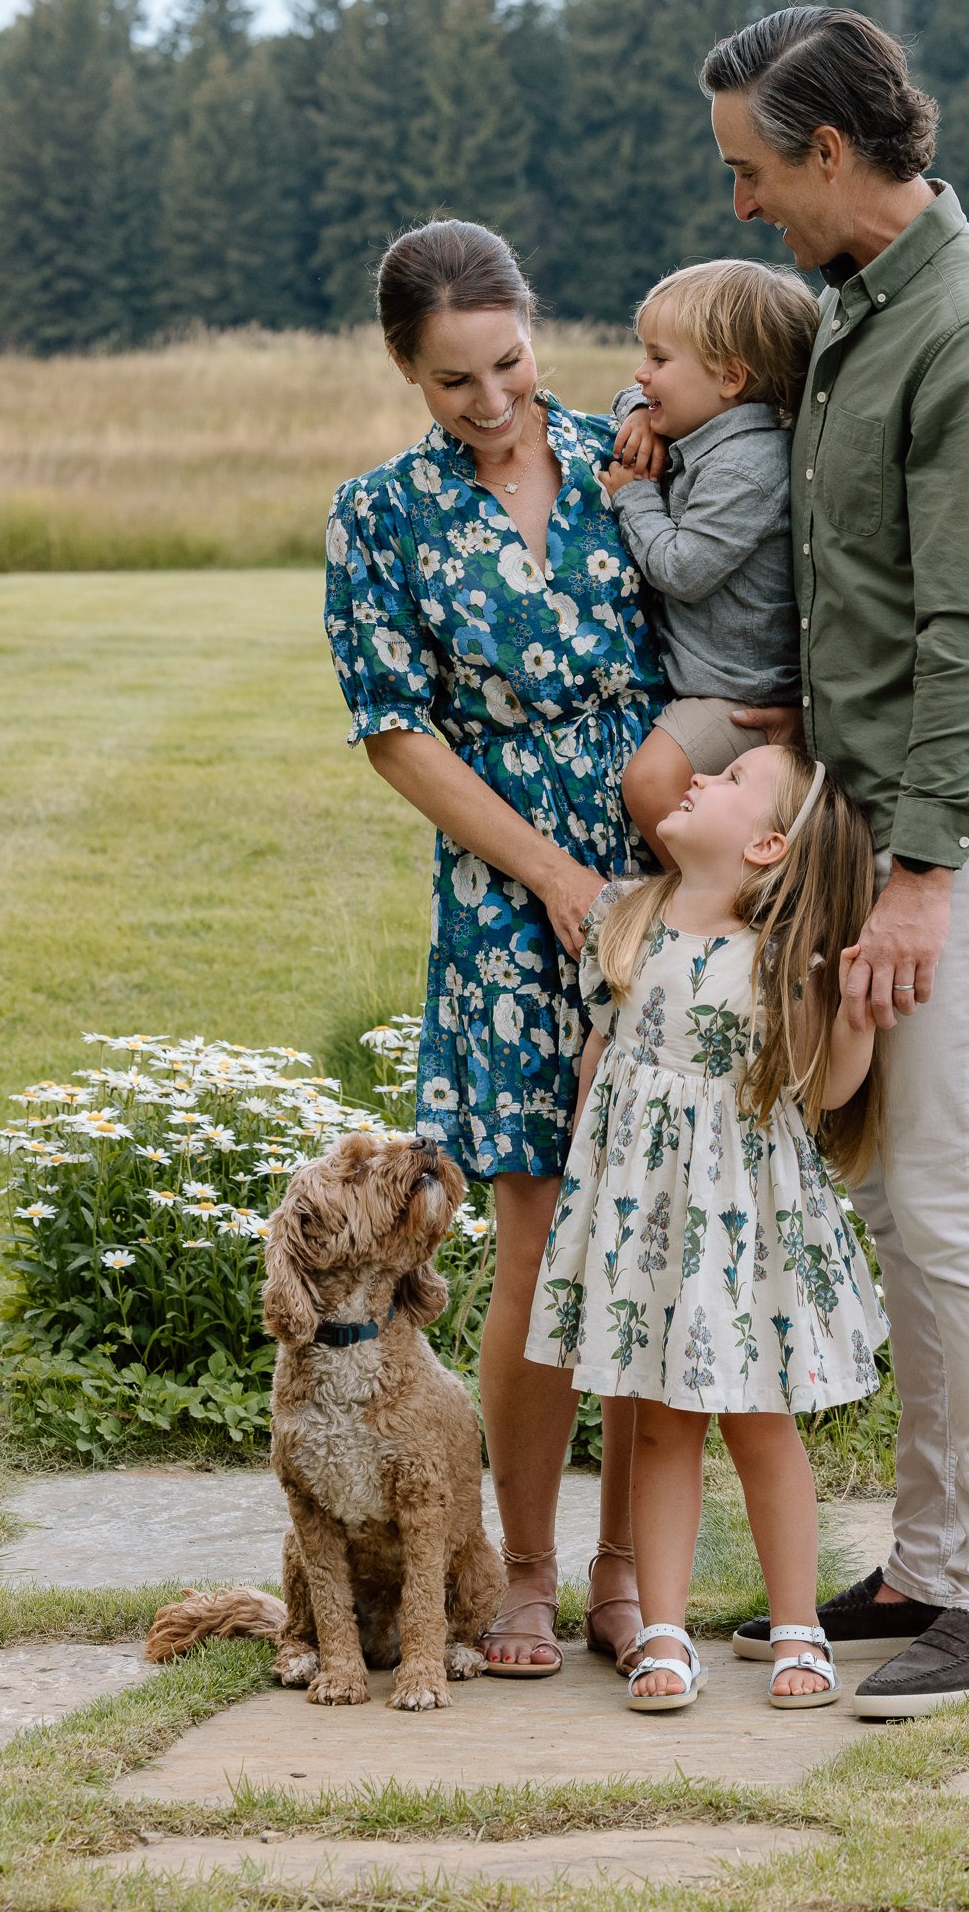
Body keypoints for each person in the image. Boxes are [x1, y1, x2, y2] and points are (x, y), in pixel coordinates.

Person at [703, 7, 969, 1717]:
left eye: (749, 170)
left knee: (949, 1186)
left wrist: (925, 873)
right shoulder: (866, 311)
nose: (738, 207)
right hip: (877, 817)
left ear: (832, 154)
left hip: (965, 820)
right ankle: (931, 1562)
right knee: (899, 1195)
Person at [323, 218, 666, 1680]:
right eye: (453, 379)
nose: (491, 399)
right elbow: (397, 731)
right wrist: (549, 877)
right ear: (407, 368)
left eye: (509, 360)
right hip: (503, 906)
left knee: (648, 1237)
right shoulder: (380, 516)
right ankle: (520, 1570)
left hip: (666, 889)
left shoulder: (631, 454)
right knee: (531, 1243)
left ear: (535, 326)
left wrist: (661, 872)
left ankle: (629, 1574)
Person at [524, 742, 887, 1712]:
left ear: (768, 843)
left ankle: (798, 1622)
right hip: (645, 1222)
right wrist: (586, 1201)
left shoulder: (783, 960)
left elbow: (829, 1092)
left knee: (760, 1425)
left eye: (731, 781)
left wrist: (853, 1016)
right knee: (660, 1427)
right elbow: (600, 1062)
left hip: (740, 1228)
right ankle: (663, 1631)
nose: (700, 778)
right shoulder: (628, 918)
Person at [601, 259, 819, 861]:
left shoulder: (749, 467)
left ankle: (704, 917)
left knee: (650, 784)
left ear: (730, 378)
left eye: (660, 360)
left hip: (738, 694)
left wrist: (635, 494)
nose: (642, 374)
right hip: (708, 681)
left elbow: (682, 569)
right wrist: (639, 416)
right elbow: (631, 394)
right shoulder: (702, 429)